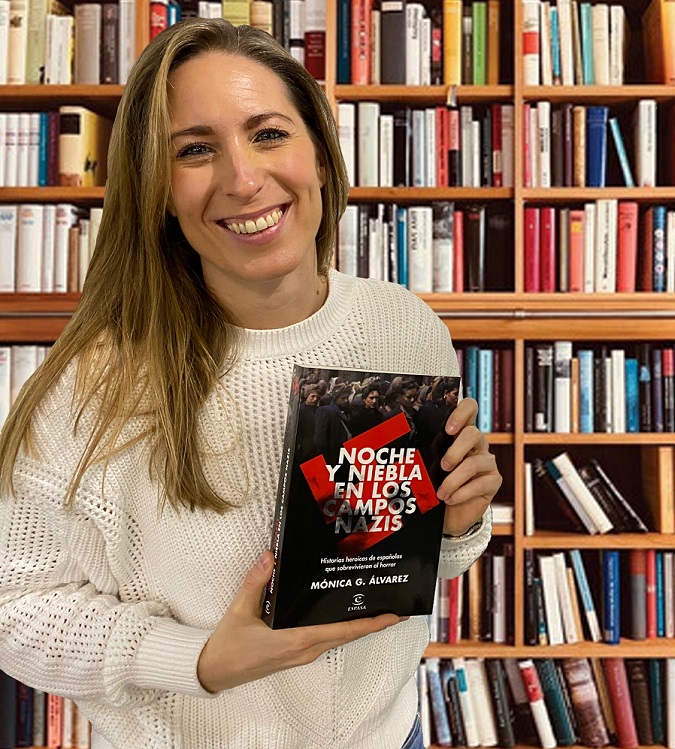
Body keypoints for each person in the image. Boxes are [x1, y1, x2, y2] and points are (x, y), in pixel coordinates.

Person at [0, 18, 500, 749]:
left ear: (321, 157)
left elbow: (391, 562)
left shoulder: (407, 325)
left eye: (268, 133)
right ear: (159, 191)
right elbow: (14, 604)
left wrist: (458, 526)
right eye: (196, 150)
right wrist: (195, 659)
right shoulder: (94, 384)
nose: (242, 178)